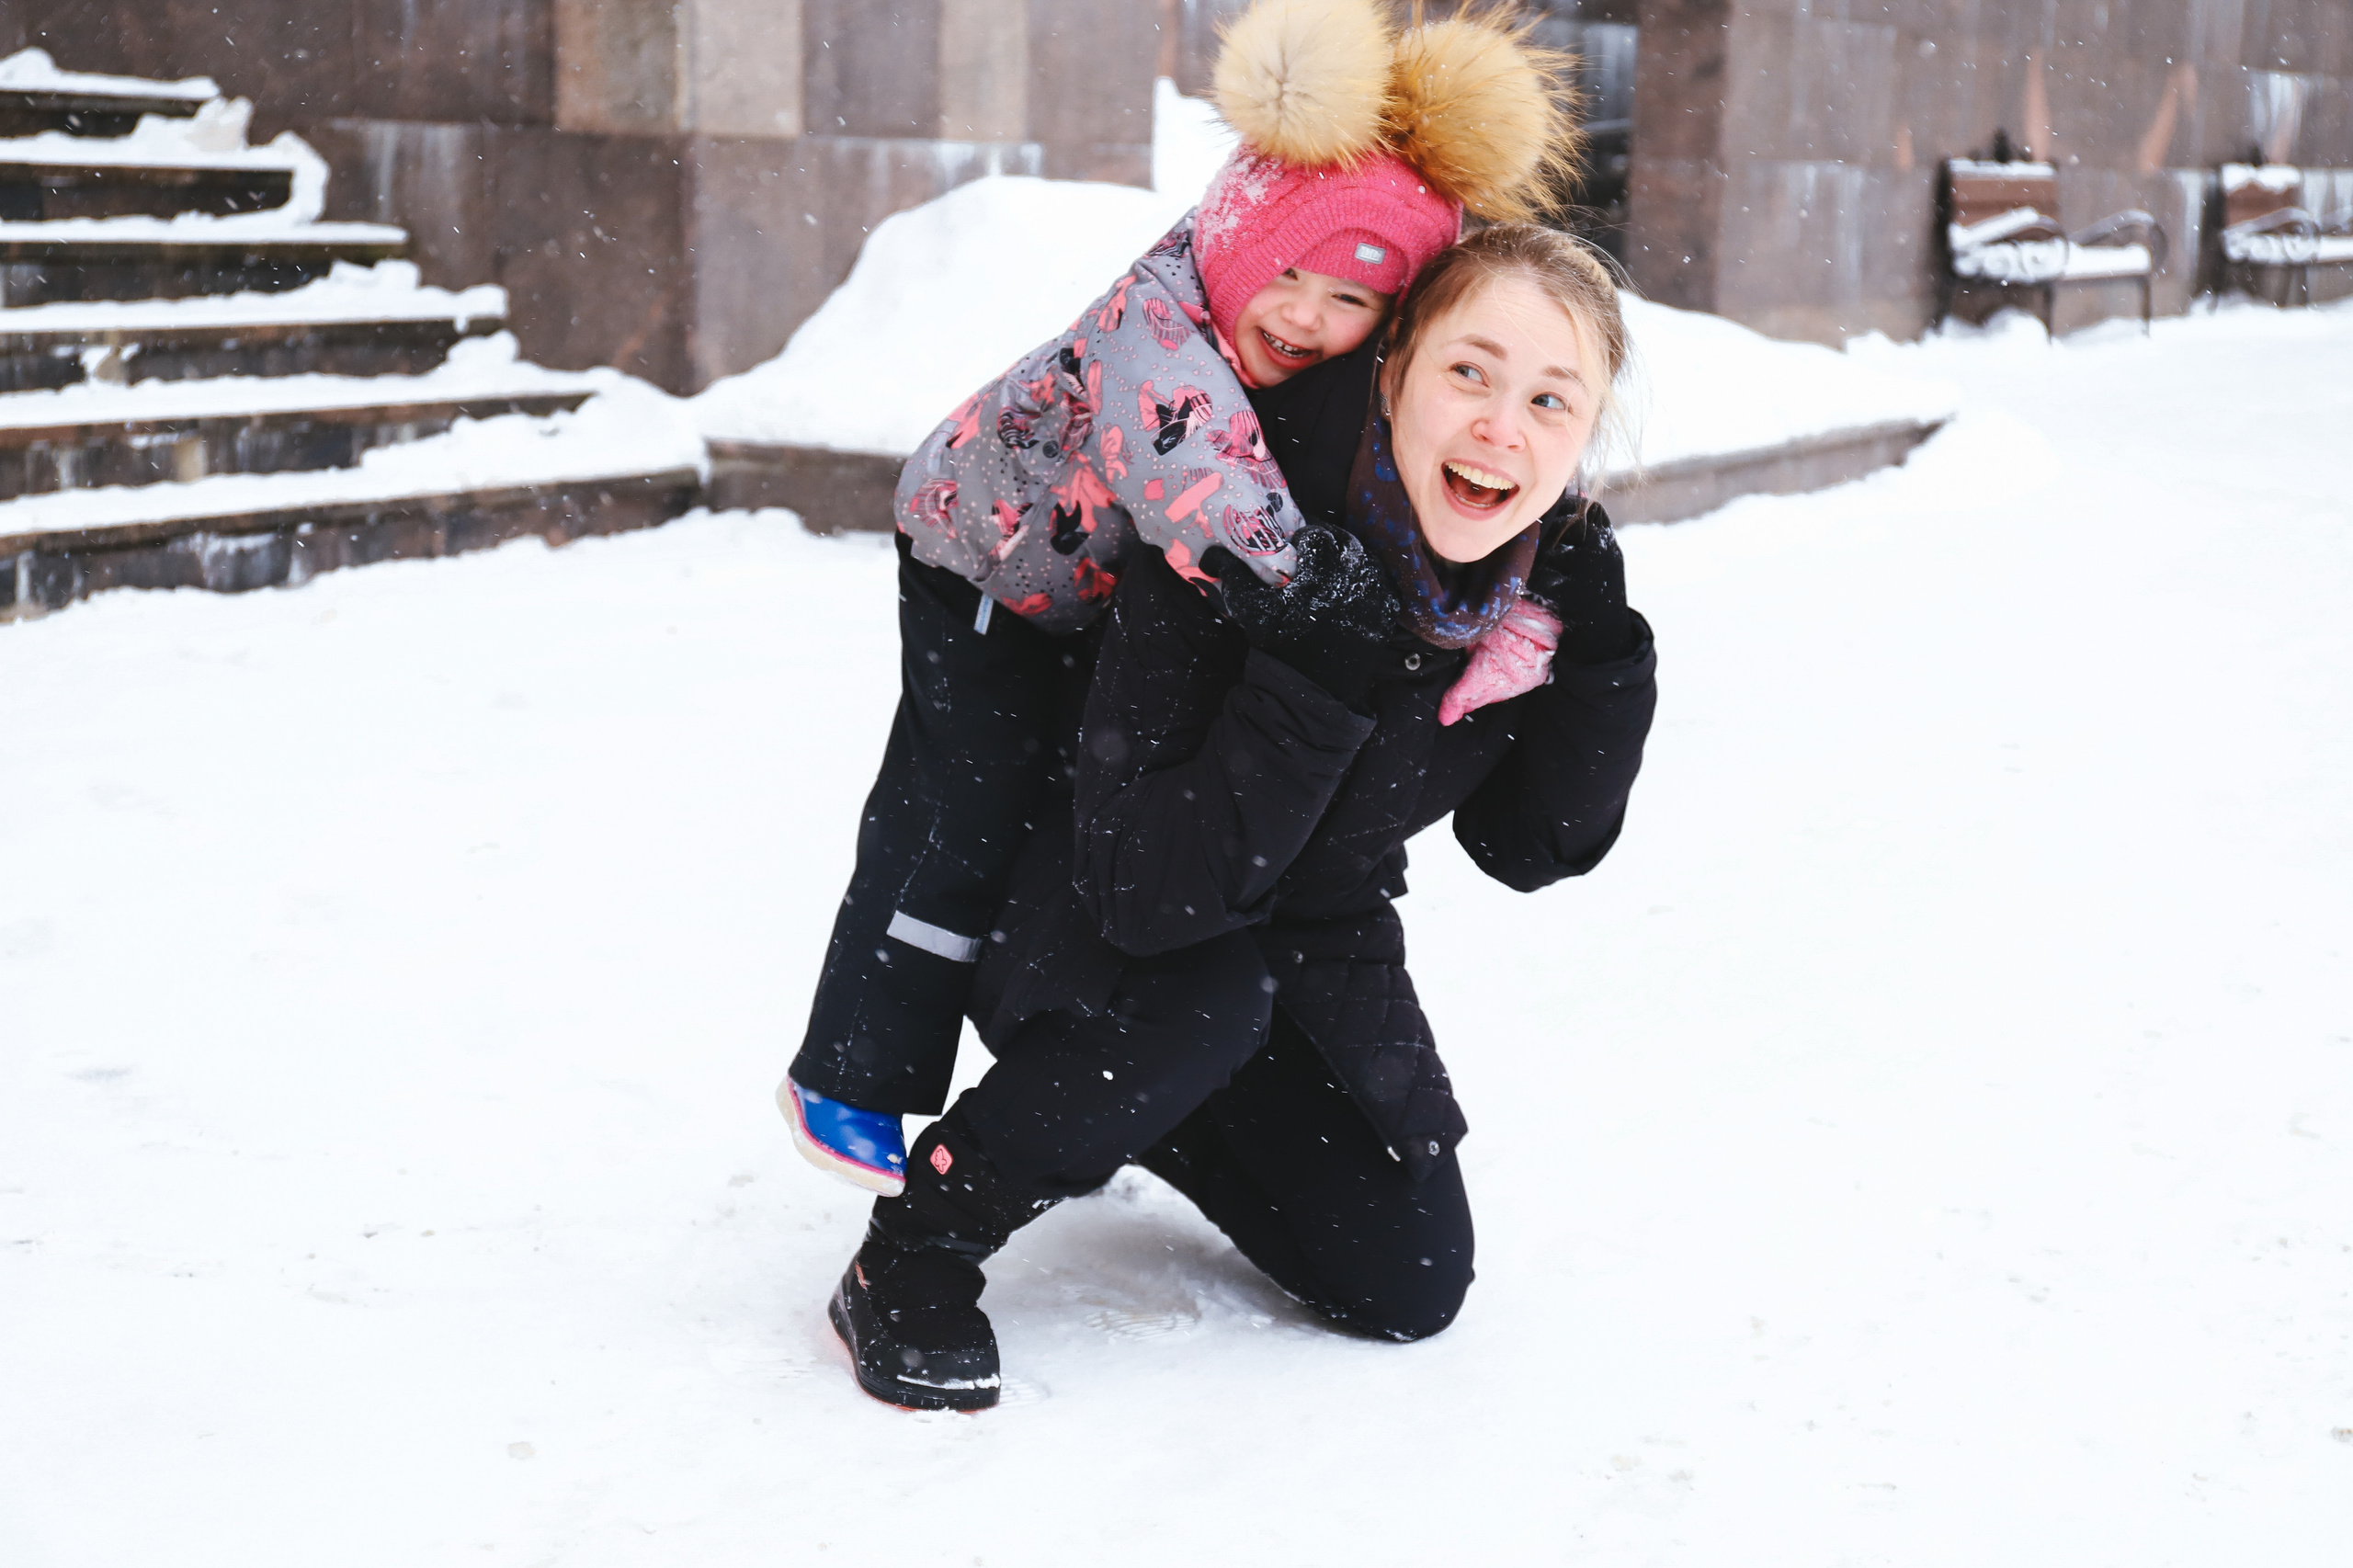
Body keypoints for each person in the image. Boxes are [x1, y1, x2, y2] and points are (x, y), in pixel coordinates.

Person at [827, 222, 1659, 1411]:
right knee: (1196, 1003)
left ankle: (1131, 1105)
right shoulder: (1239, 520)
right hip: (1067, 898)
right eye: (1470, 372)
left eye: (1549, 399)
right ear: (1397, 366)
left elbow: (1527, 846)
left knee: (1408, 1272)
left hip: (1280, 942)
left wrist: (1605, 658)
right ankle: (914, 1243)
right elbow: (1137, 884)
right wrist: (1317, 667)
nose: (1502, 426)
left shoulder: (1517, 593)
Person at [780, 0, 1579, 1197]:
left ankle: (1055, 1071)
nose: (1310, 316)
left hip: (1073, 588)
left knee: (1060, 820)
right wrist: (1314, 591)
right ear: (1240, 239)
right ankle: (850, 1069)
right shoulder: (1159, 332)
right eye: (1293, 275)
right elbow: (1203, 486)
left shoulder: (1286, 352)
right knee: (958, 802)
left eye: (1354, 302)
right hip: (982, 564)